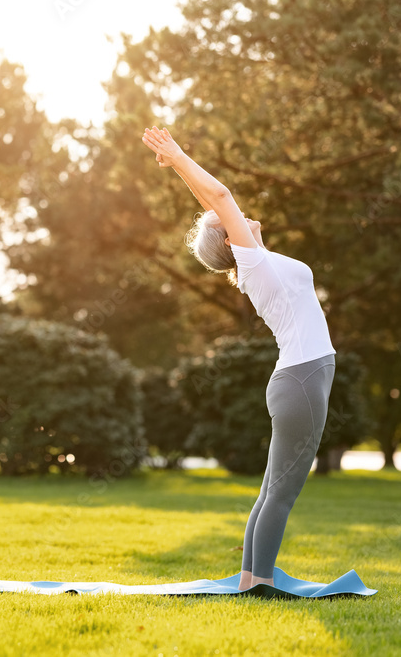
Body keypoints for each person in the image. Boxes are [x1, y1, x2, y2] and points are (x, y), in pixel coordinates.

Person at [141, 126, 336, 591]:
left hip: (298, 380)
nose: (241, 215)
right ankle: (260, 585)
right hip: (303, 383)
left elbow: (216, 203)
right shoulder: (254, 264)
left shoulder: (257, 264)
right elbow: (221, 196)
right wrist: (180, 155)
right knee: (282, 493)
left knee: (272, 489)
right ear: (230, 240)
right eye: (231, 220)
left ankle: (251, 578)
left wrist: (177, 167)